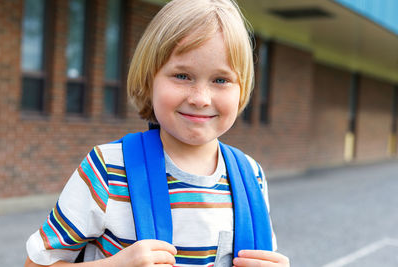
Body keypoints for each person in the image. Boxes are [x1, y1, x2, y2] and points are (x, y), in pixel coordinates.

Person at [25, 0, 290, 266]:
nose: (201, 98)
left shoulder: (251, 176)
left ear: (241, 90)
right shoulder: (108, 169)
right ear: (149, 79)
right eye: (182, 76)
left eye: (221, 80)